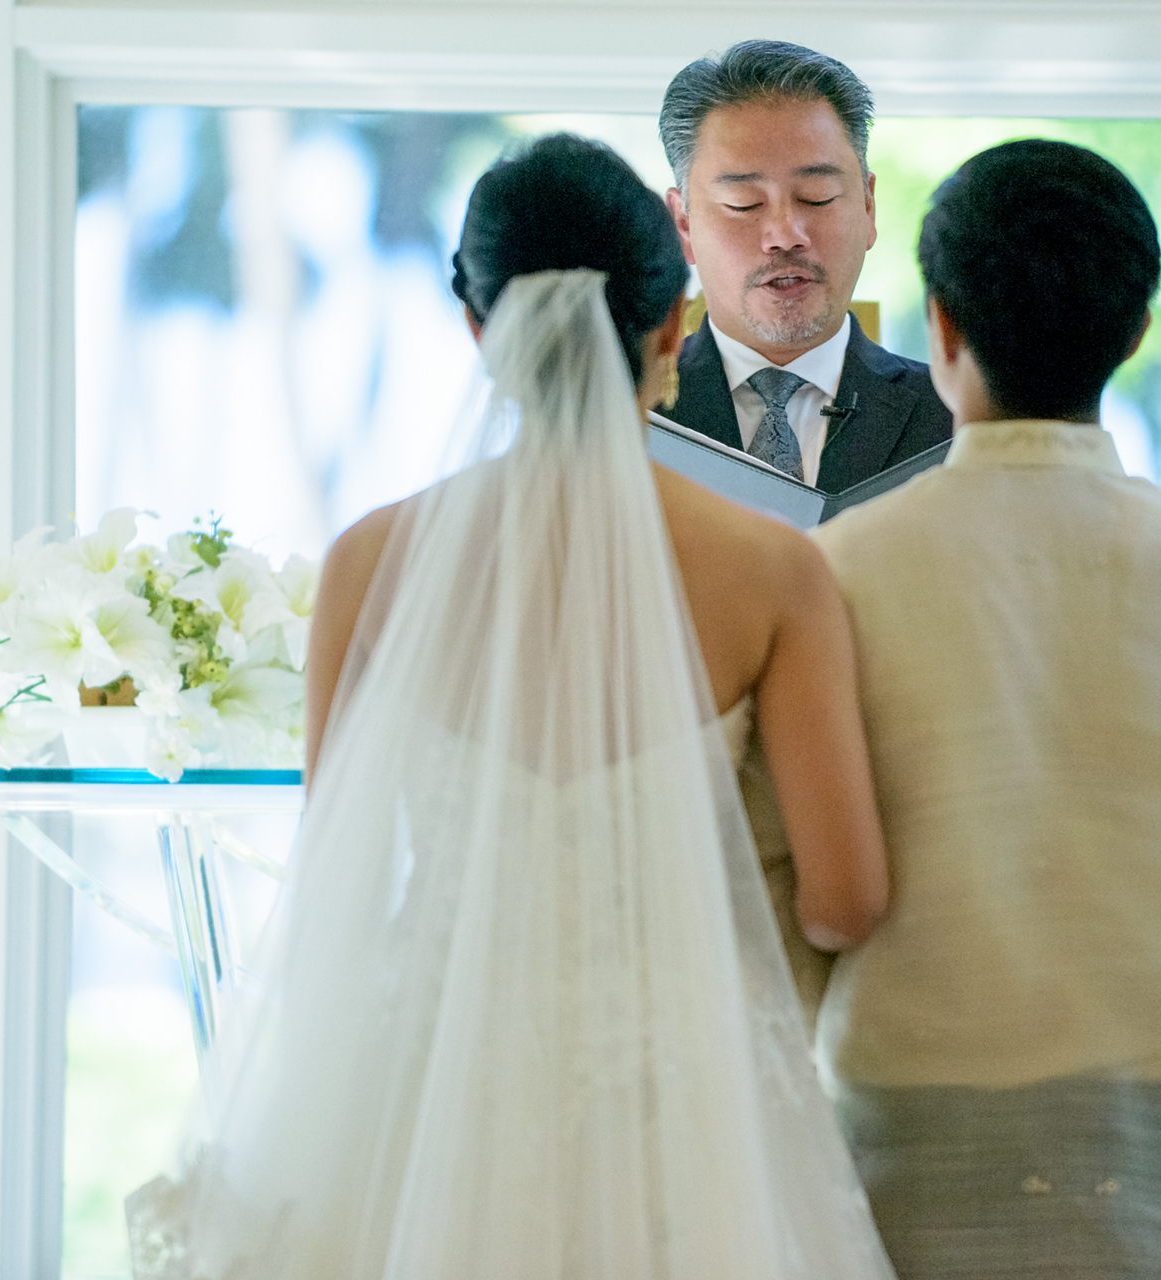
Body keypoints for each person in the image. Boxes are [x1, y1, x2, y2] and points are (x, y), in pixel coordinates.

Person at [124, 134, 895, 1279]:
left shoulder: (371, 564)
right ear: (676, 327)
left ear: (481, 331)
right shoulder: (776, 575)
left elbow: (340, 872)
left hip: (430, 1085)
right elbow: (844, 899)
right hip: (680, 1095)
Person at [811, 138, 1161, 1280]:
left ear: (939, 326)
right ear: (1136, 330)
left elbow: (794, 906)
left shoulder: (839, 575)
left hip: (909, 1204)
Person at [658, 39, 951, 493]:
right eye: (744, 204)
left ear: (868, 207)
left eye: (817, 197)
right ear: (683, 224)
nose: (785, 235)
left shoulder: (956, 421)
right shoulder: (620, 417)